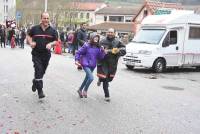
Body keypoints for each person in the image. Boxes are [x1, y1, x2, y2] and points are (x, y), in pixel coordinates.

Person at [27, 12, 58, 99]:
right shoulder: (35, 28)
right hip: (36, 53)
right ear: (41, 18)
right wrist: (31, 42)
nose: (46, 20)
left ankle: (35, 81)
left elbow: (56, 41)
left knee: (42, 72)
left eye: (47, 18)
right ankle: (40, 91)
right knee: (38, 69)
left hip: (46, 55)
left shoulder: (53, 30)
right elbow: (28, 36)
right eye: (44, 18)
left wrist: (51, 44)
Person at [97, 28, 126, 102]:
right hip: (103, 63)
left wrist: (117, 51)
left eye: (111, 32)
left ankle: (100, 79)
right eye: (109, 32)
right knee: (105, 79)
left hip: (113, 63)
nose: (110, 33)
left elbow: (124, 49)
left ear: (114, 33)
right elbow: (97, 49)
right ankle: (107, 95)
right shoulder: (102, 41)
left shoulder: (118, 41)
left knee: (109, 79)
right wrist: (102, 51)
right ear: (107, 33)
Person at [75, 33, 105, 98]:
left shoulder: (98, 47)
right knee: (91, 78)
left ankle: (80, 90)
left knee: (87, 78)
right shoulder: (86, 45)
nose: (96, 38)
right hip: (85, 64)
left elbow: (100, 57)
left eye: (97, 38)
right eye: (95, 37)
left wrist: (102, 51)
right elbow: (78, 52)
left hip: (93, 65)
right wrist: (76, 60)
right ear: (91, 38)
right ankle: (85, 90)